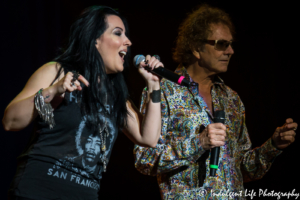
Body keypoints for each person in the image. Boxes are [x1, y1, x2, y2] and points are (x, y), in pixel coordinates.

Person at [134, 4, 297, 200]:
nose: (231, 51)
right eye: (221, 44)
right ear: (196, 48)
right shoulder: (163, 91)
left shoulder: (231, 99)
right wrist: (198, 143)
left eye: (231, 44)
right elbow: (145, 160)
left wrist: (273, 146)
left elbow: (242, 170)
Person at [3, 6, 163, 200]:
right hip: (38, 191)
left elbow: (148, 138)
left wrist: (154, 85)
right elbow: (10, 121)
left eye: (126, 36)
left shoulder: (115, 95)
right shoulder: (57, 71)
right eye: (118, 33)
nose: (128, 42)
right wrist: (53, 91)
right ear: (94, 39)